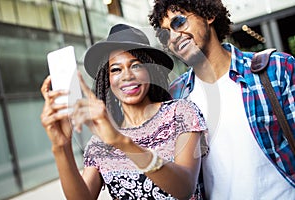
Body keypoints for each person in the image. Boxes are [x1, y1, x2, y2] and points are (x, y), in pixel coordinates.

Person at [40, 23, 208, 199]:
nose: (127, 76)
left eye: (136, 65)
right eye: (116, 69)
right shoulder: (100, 143)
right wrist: (61, 146)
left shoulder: (180, 114)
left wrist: (121, 141)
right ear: (108, 79)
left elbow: (184, 187)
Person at [149, 0, 295, 199]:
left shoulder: (276, 69)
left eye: (179, 22)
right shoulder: (175, 97)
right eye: (165, 33)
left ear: (208, 15)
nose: (173, 37)